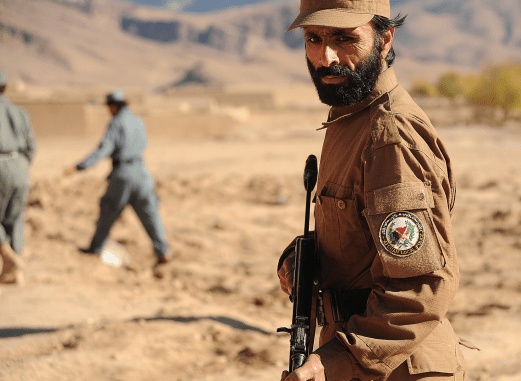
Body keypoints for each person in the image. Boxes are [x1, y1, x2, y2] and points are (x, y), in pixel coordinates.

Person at [277, 1, 467, 380]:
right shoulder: (350, 116)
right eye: (314, 38)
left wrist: (329, 362)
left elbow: (421, 288)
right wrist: (303, 259)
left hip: (393, 365)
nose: (326, 56)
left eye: (346, 38)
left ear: (384, 40)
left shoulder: (390, 136)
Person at [64, 89, 171, 267]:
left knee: (108, 209)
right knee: (150, 214)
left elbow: (104, 149)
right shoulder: (138, 121)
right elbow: (144, 143)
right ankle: (163, 251)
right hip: (142, 172)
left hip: (123, 174)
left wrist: (79, 166)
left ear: (113, 106)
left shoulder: (116, 123)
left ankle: (96, 247)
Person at [0, 70, 37, 286]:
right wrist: (21, 167)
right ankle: (14, 273)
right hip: (20, 165)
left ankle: (7, 253)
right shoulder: (20, 112)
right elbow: (32, 147)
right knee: (15, 219)